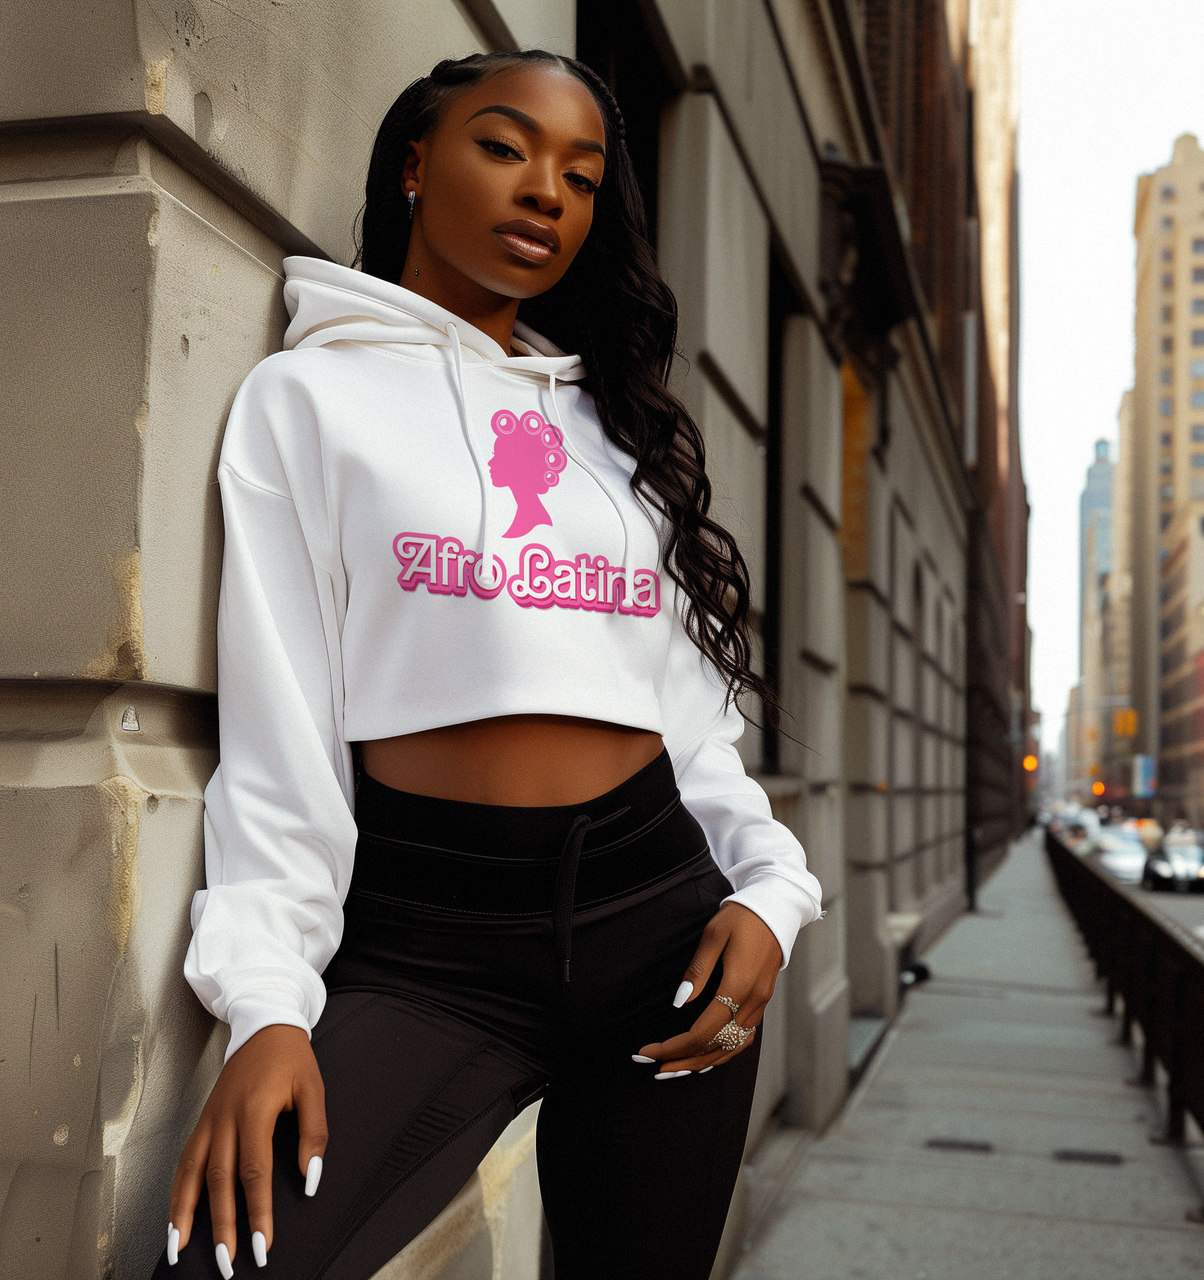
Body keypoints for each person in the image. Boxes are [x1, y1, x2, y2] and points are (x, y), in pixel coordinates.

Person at [155, 49, 821, 1280]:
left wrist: (769, 893)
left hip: (656, 923)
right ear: (415, 163)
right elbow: (279, 725)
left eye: (579, 174)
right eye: (505, 148)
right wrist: (267, 1004)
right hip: (427, 945)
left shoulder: (614, 434)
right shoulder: (308, 400)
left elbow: (687, 726)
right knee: (224, 1266)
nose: (544, 194)